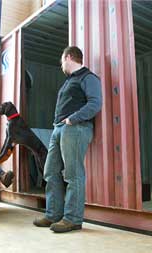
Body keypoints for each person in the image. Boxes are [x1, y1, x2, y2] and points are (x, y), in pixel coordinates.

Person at [33, 46, 102, 233]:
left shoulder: (88, 78)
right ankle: (53, 214)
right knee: (50, 172)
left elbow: (95, 103)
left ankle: (73, 219)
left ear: (69, 57)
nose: (61, 65)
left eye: (62, 61)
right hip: (58, 129)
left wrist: (72, 119)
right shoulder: (69, 81)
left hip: (75, 128)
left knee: (73, 174)